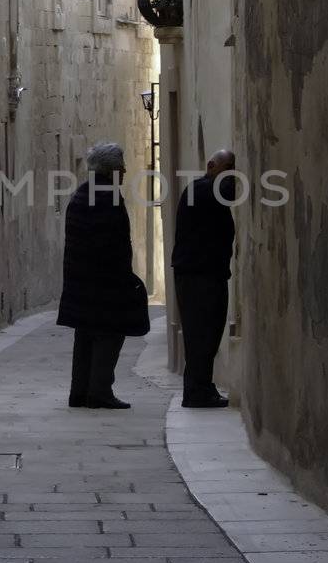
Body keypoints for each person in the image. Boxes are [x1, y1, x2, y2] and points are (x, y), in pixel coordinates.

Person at [57, 141, 150, 409]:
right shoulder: (107, 196)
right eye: (121, 166)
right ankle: (99, 391)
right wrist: (124, 279)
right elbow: (113, 244)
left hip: (80, 281)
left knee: (85, 335)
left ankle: (80, 391)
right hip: (104, 283)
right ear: (110, 170)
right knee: (110, 333)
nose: (124, 170)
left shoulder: (81, 194)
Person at [171, 148, 237, 408]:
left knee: (208, 334)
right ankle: (197, 391)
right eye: (228, 168)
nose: (232, 175)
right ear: (211, 166)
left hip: (206, 274)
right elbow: (229, 194)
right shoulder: (202, 190)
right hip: (198, 277)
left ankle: (201, 388)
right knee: (201, 335)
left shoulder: (205, 189)